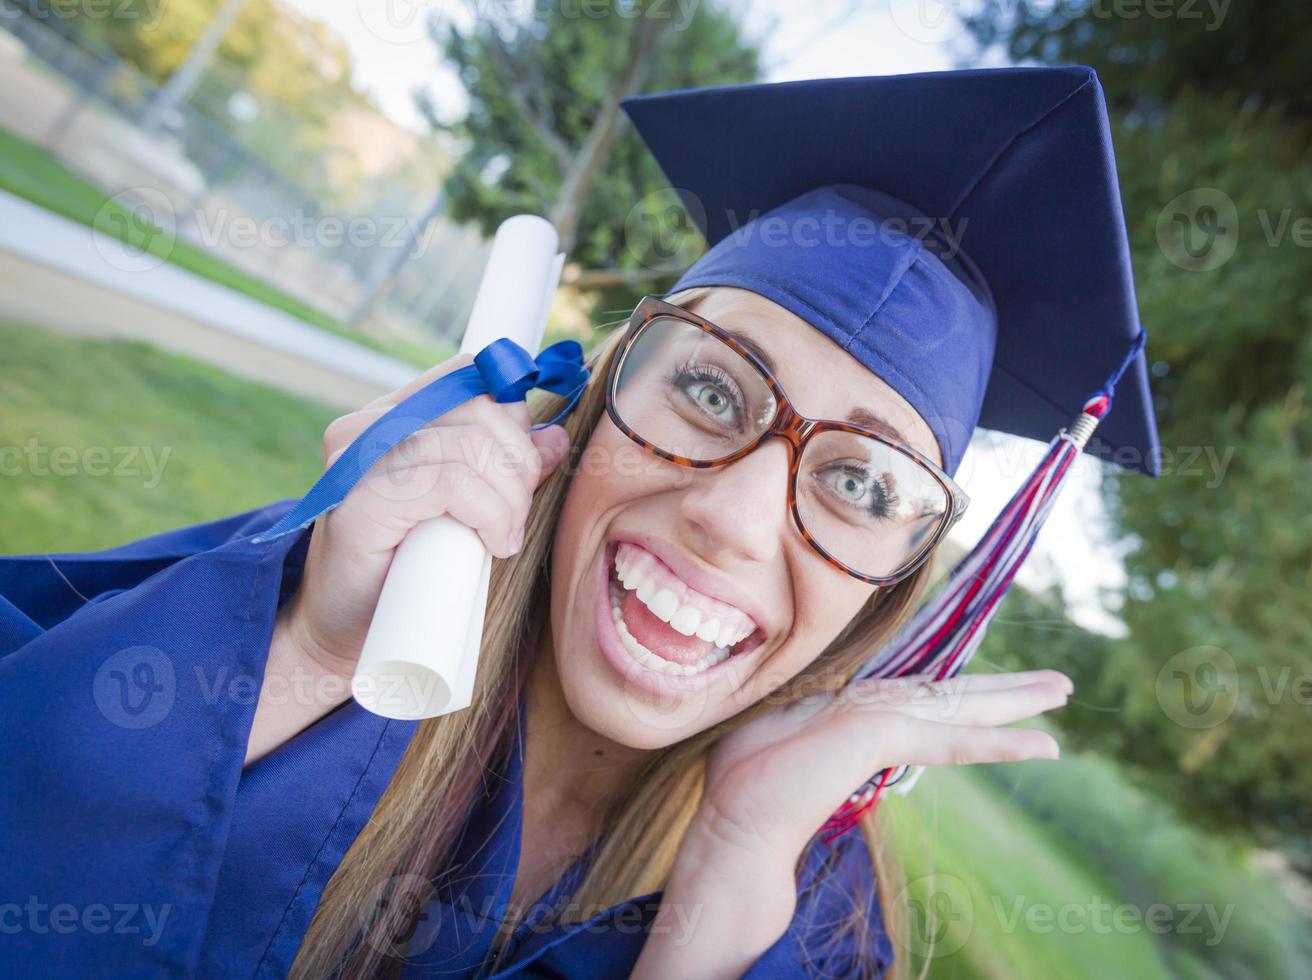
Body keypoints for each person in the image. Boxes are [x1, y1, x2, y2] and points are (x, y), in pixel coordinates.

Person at [0, 66, 1158, 978]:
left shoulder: (818, 917)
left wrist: (736, 862)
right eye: (710, 388)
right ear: (599, 396)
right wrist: (303, 653)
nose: (733, 518)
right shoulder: (339, 592)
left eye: (861, 483)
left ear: (895, 587)